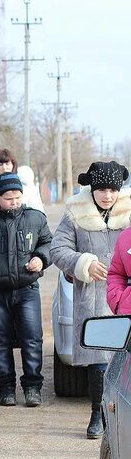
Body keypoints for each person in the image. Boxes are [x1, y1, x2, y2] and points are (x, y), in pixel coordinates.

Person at [54, 162, 131, 438]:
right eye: (101, 189)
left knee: (125, 361)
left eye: (112, 189)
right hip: (94, 297)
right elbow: (58, 249)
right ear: (92, 189)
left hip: (126, 300)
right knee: (99, 358)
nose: (107, 195)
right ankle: (97, 414)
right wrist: (82, 262)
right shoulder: (76, 213)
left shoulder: (129, 212)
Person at [0, 173, 52, 407]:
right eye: (8, 198)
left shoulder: (35, 218)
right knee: (0, 341)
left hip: (27, 289)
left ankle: (33, 387)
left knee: (32, 339)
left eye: (17, 197)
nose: (14, 201)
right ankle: (6, 388)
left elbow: (47, 243)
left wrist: (41, 258)